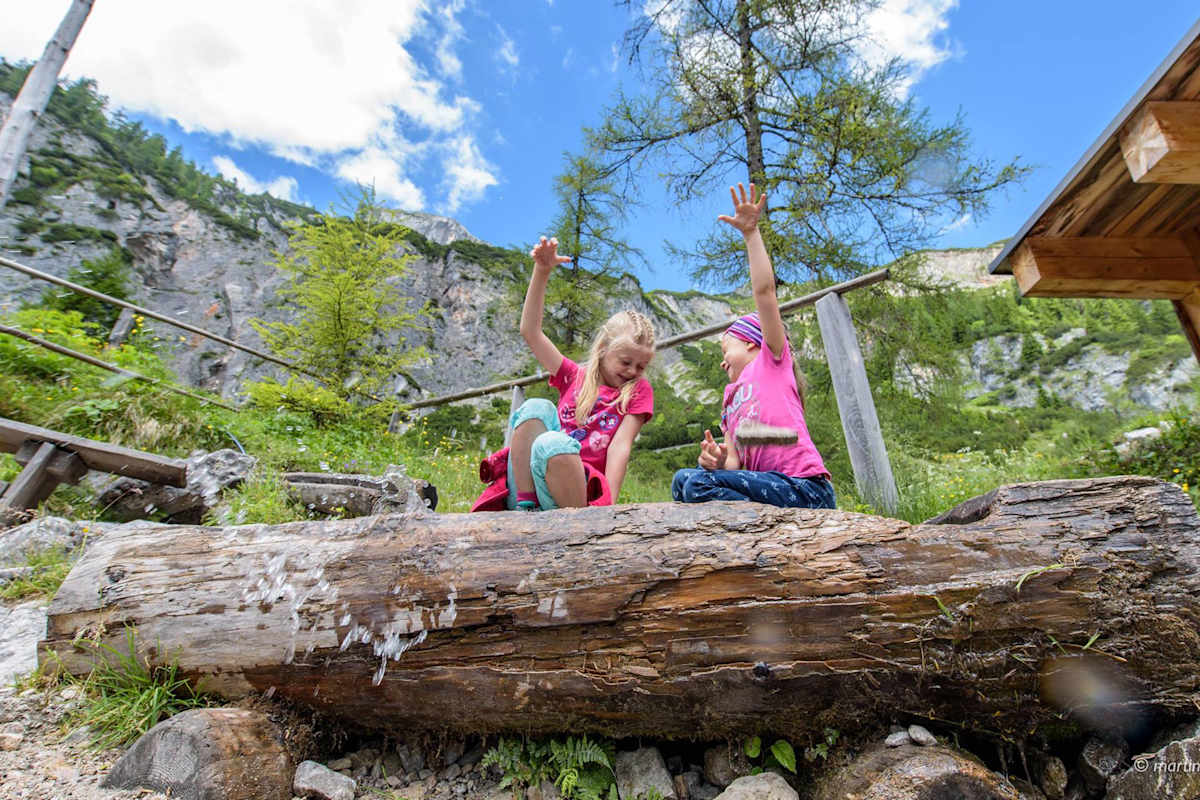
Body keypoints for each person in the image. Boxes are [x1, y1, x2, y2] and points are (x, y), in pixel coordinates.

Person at [671, 183, 835, 509]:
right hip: (766, 489)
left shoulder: (772, 361)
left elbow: (764, 294)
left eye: (724, 351)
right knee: (683, 480)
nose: (721, 363)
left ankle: (759, 532)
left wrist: (751, 234)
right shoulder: (730, 401)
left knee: (698, 487)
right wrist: (717, 462)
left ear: (751, 344)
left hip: (805, 489)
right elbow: (734, 464)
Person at [471, 235, 655, 512]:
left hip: (572, 494)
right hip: (531, 482)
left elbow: (620, 447)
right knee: (535, 407)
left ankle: (567, 521)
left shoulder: (637, 391)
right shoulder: (573, 375)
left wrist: (611, 508)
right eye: (626, 361)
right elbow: (530, 332)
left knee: (552, 443)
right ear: (604, 349)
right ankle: (524, 506)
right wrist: (541, 272)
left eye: (641, 367)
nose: (632, 372)